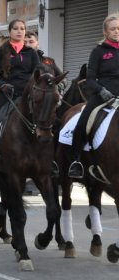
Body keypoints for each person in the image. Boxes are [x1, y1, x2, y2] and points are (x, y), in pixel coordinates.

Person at [0, 19, 40, 176]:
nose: (19, 31)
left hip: (27, 96)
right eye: (16, 28)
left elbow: (37, 75)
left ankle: (50, 161)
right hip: (6, 95)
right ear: (10, 32)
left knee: (47, 122)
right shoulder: (0, 52)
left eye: (22, 28)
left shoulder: (31, 53)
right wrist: (2, 85)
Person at [68, 14, 119, 178]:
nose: (117, 31)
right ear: (105, 32)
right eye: (113, 29)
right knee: (83, 122)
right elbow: (89, 79)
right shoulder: (98, 51)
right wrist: (101, 91)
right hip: (104, 94)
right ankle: (76, 161)